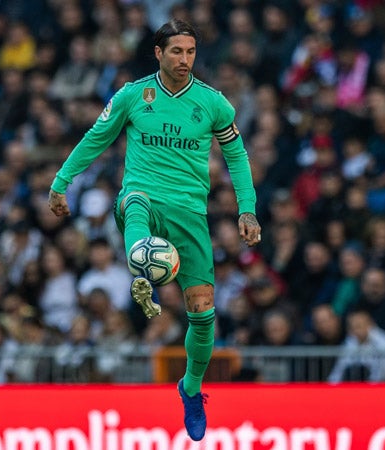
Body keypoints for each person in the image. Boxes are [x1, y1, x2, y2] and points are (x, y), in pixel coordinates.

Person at [48, 19, 261, 441]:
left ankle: (192, 388)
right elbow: (96, 137)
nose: (185, 60)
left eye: (191, 52)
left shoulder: (213, 104)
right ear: (158, 54)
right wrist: (60, 182)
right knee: (133, 205)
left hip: (190, 215)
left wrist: (247, 209)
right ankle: (141, 268)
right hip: (143, 196)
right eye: (177, 52)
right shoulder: (133, 95)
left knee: (203, 316)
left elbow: (235, 155)